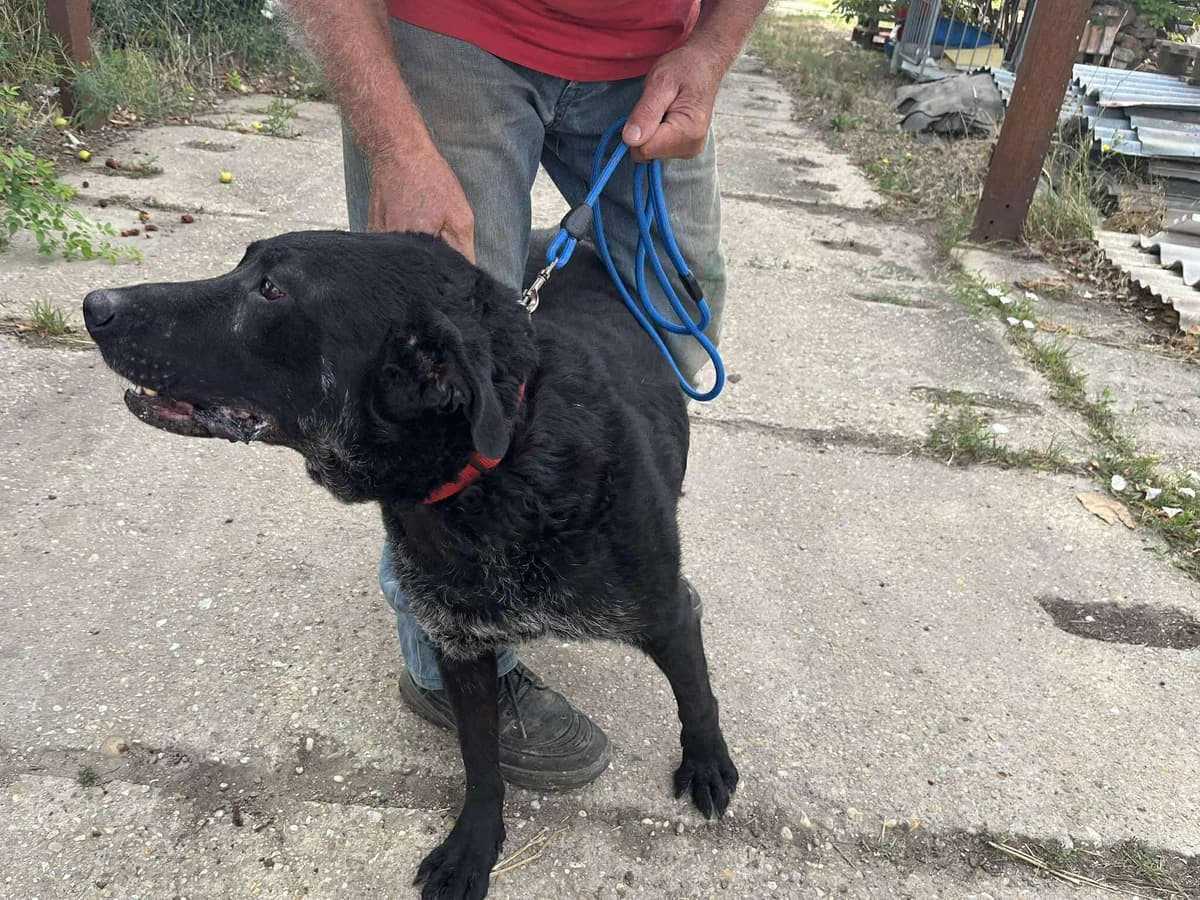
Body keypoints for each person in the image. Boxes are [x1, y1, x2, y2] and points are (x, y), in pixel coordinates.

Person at [284, 0, 768, 791]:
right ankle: (450, 646)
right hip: (450, 30)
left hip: (649, 55)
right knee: (432, 355)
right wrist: (397, 148)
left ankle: (623, 547)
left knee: (682, 308)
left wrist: (709, 51)